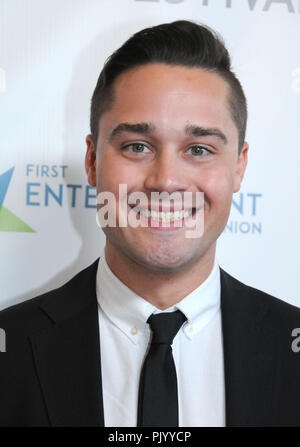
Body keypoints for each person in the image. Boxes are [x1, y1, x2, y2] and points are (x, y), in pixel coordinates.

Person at [0, 20, 299, 428]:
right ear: (92, 161)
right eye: (137, 146)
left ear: (239, 167)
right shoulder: (9, 352)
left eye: (198, 149)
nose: (166, 181)